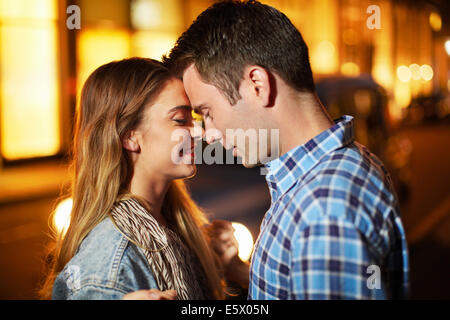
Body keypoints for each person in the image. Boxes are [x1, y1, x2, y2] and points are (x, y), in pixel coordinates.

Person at [163, 0, 409, 299]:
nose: (209, 135)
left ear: (257, 84)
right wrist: (239, 270)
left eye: (208, 112)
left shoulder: (324, 211)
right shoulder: (341, 166)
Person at [39, 58, 225, 300]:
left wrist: (227, 267)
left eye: (193, 118)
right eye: (180, 120)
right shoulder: (112, 263)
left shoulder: (174, 225)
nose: (199, 131)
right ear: (130, 138)